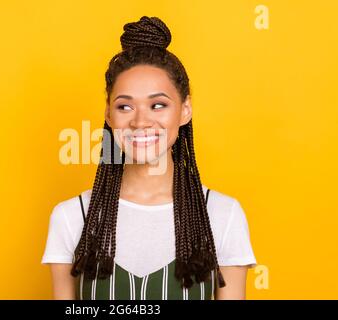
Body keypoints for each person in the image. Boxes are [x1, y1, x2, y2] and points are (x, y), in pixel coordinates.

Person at [41, 16, 257, 300]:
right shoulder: (71, 216)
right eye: (125, 106)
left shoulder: (222, 215)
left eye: (158, 105)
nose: (140, 121)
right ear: (108, 113)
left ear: (185, 110)